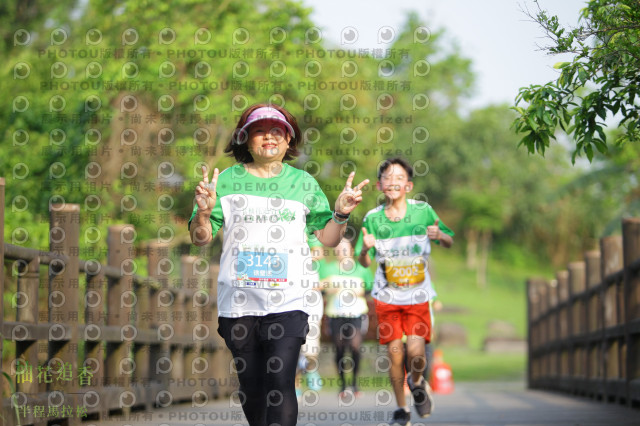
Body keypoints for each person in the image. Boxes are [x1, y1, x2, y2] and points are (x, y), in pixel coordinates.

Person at [189, 103, 368, 426]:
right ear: (245, 139)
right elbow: (201, 237)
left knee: (281, 383)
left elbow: (328, 239)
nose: (268, 137)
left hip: (289, 300)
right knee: (253, 389)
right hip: (239, 303)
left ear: (289, 141)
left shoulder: (304, 183)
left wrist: (340, 214)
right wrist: (203, 212)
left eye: (277, 130)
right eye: (259, 130)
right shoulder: (225, 181)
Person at [355, 157, 454, 426]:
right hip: (387, 296)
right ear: (380, 185)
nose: (393, 182)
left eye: (399, 178)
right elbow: (363, 261)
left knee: (416, 351)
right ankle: (401, 409)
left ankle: (418, 381)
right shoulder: (372, 219)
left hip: (418, 296)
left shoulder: (423, 211)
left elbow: (449, 239)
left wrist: (439, 235)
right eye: (388, 177)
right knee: (395, 353)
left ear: (408, 186)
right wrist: (365, 249)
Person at [321, 237, 373, 399]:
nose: (340, 252)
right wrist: (328, 289)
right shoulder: (328, 269)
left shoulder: (361, 268)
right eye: (338, 249)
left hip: (357, 314)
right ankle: (343, 385)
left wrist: (360, 293)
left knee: (355, 346)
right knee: (340, 348)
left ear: (351, 250)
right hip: (335, 314)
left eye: (344, 249)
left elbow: (370, 288)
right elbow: (320, 288)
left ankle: (355, 383)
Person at [295, 234, 325, 399]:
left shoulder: (308, 230)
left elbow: (319, 252)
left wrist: (298, 256)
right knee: (290, 347)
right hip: (290, 300)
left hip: (312, 302)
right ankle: (295, 384)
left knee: (310, 348)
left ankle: (310, 368)